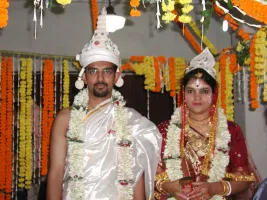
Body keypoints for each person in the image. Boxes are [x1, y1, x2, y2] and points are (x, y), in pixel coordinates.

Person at [47, 8, 162, 200]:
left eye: (107, 71)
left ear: (117, 76)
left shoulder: (132, 120)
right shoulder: (65, 118)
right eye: (93, 71)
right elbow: (56, 173)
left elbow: (137, 174)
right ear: (83, 76)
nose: (100, 78)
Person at [154, 48, 259, 200]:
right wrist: (169, 186)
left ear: (214, 94)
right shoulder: (165, 130)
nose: (197, 97)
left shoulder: (230, 130)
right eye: (190, 91)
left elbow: (244, 178)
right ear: (183, 94)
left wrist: (215, 188)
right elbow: (153, 176)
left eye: (204, 91)